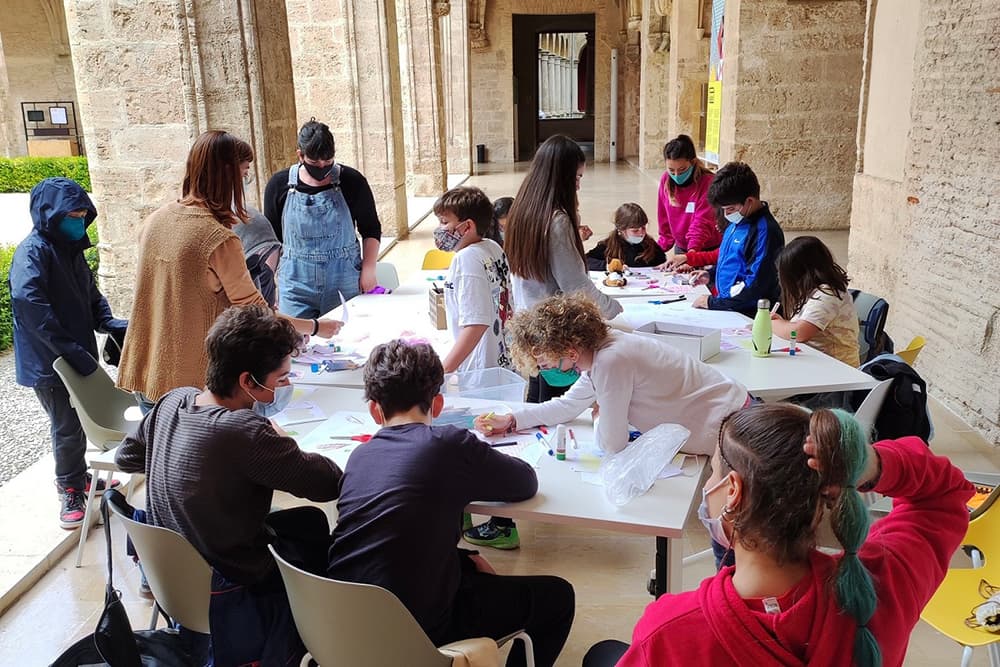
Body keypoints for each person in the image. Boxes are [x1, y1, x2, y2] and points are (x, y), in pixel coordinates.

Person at [588, 404, 973, 667]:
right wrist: (869, 464)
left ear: (733, 490)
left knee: (603, 654)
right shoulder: (884, 588)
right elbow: (945, 494)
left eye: (713, 472)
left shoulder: (669, 633)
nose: (708, 484)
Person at [116, 304, 343, 666]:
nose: (283, 387)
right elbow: (329, 483)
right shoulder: (245, 432)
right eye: (280, 379)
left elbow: (125, 458)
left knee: (302, 522)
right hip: (229, 580)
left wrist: (187, 465)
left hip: (173, 580)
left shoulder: (173, 400)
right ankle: (320, 638)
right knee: (316, 531)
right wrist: (279, 439)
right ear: (247, 382)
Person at [327, 340, 575, 667]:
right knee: (557, 597)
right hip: (418, 632)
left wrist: (463, 558)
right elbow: (524, 483)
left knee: (469, 567)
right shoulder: (449, 445)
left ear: (374, 410)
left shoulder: (359, 457)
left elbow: (395, 540)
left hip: (342, 625)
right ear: (439, 404)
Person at [117, 131, 340, 406]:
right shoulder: (218, 239)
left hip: (147, 375)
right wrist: (315, 326)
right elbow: (257, 313)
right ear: (227, 175)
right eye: (244, 173)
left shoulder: (155, 221)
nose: (244, 183)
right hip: (189, 388)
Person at [475, 294, 749, 457]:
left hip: (736, 430)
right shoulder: (600, 350)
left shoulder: (610, 360)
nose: (547, 371)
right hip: (733, 418)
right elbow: (568, 405)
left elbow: (612, 444)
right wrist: (512, 420)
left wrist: (598, 417)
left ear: (569, 351)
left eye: (546, 364)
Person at [9, 177, 127, 528]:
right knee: (66, 425)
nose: (78, 222)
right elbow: (32, 308)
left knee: (79, 420)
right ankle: (69, 489)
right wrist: (71, 351)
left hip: (74, 352)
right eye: (71, 216)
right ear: (51, 215)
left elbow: (91, 295)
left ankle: (79, 476)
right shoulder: (33, 253)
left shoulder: (70, 249)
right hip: (49, 360)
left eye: (81, 215)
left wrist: (108, 322)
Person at [505, 134, 623, 405]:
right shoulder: (556, 220)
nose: (578, 186)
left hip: (531, 326)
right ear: (561, 177)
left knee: (538, 401)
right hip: (555, 334)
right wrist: (612, 309)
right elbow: (576, 287)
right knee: (558, 408)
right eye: (576, 178)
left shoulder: (523, 211)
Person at [263, 118, 381, 316]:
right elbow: (272, 240)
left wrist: (369, 268)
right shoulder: (278, 185)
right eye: (314, 162)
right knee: (295, 334)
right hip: (295, 281)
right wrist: (268, 285)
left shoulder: (352, 181)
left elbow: (371, 229)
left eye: (327, 162)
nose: (322, 167)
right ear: (300, 155)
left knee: (347, 331)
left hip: (343, 277)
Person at [432, 186, 514, 374]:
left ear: (467, 226)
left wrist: (444, 370)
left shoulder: (466, 258)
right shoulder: (492, 247)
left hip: (478, 369)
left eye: (444, 222)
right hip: (501, 361)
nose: (439, 229)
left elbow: (476, 324)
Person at [692, 161, 784, 317]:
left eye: (730, 209)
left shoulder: (765, 232)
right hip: (730, 307)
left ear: (749, 201)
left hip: (749, 313)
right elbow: (732, 260)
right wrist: (711, 275)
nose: (726, 214)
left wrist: (712, 302)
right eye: (723, 209)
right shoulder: (737, 221)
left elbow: (755, 284)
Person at [771, 236, 860, 368]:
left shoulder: (828, 293)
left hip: (837, 369)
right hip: (814, 361)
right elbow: (800, 326)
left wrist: (771, 324)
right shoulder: (811, 291)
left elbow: (799, 333)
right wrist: (784, 324)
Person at [655, 135, 721, 255]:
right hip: (682, 248)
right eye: (671, 170)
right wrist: (655, 252)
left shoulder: (708, 182)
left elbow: (702, 222)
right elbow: (664, 222)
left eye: (682, 170)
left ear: (693, 162)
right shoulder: (665, 180)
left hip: (707, 249)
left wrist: (691, 254)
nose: (676, 175)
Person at [585, 203, 666, 270]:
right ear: (621, 229)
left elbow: (663, 262)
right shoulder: (607, 245)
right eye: (635, 231)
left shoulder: (650, 245)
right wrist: (608, 266)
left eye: (643, 228)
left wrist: (665, 266)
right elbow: (586, 261)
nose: (642, 233)